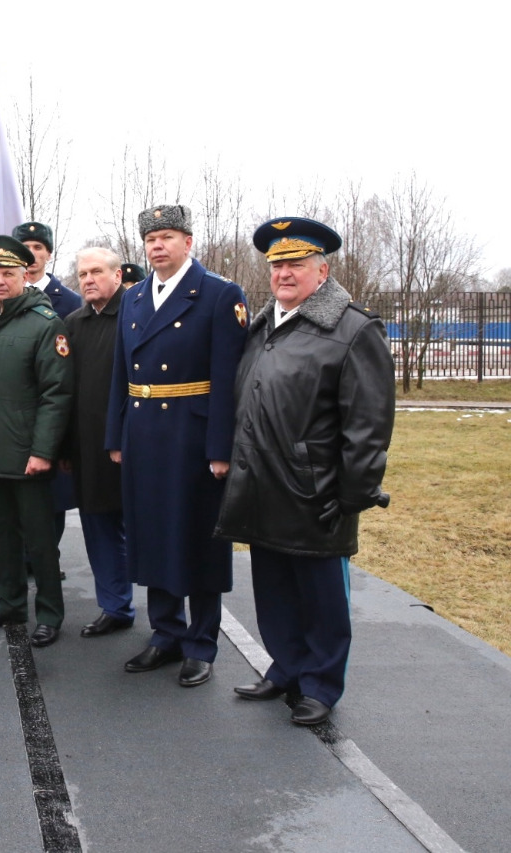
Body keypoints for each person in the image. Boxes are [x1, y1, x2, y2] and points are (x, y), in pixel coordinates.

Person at [215, 217, 394, 726]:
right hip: (262, 482)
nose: (284, 274)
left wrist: (353, 494)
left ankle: (320, 683)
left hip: (318, 491)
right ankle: (286, 666)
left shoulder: (354, 329)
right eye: (277, 265)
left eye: (296, 263)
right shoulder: (262, 326)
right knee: (273, 589)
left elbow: (369, 425)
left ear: (323, 269)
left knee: (322, 596)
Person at [104, 204, 248, 686]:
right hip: (143, 432)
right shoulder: (135, 296)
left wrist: (220, 448)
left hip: (192, 432)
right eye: (150, 239)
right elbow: (121, 374)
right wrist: (116, 435)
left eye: (167, 236)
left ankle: (201, 643)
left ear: (189, 242)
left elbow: (228, 379)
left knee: (198, 539)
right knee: (153, 534)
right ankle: (164, 633)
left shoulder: (219, 294)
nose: (157, 245)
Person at [0, 236, 73, 647]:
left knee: (40, 539)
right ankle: (8, 602)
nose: (0, 280)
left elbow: (56, 393)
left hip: (28, 455)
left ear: (26, 276)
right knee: (3, 534)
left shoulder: (45, 324)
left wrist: (43, 451)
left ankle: (49, 613)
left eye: (8, 273)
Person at [63, 247, 134, 637]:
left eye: (95, 272)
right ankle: (115, 605)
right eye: (82, 274)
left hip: (132, 444)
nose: (87, 280)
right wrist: (64, 448)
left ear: (117, 274)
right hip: (88, 447)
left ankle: (168, 617)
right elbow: (65, 390)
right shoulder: (74, 323)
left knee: (143, 530)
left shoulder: (136, 314)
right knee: (99, 529)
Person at [13, 221, 82, 574]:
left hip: (52, 413)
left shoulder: (71, 303)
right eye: (25, 248)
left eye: (39, 248)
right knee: (16, 494)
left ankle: (43, 560)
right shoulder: (2, 298)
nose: (32, 255)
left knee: (51, 496)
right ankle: (23, 559)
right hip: (12, 416)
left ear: (49, 254)